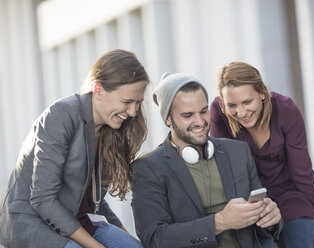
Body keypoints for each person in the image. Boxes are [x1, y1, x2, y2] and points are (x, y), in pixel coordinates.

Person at [0, 49, 149, 248]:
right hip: (33, 223)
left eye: (137, 103)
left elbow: (93, 200)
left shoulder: (110, 129)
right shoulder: (61, 115)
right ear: (98, 90)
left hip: (79, 220)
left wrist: (125, 236)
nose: (132, 112)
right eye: (126, 102)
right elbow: (42, 199)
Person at [131, 72, 282, 248]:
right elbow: (154, 238)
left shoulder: (238, 151)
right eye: (187, 115)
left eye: (203, 111)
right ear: (168, 119)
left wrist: (270, 220)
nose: (200, 121)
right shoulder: (148, 167)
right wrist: (220, 222)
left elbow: (264, 227)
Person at [209, 61, 314, 248]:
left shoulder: (286, 111)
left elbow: (302, 171)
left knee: (301, 236)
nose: (241, 112)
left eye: (247, 102)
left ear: (262, 92)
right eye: (232, 105)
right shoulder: (219, 114)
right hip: (250, 201)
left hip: (289, 196)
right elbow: (226, 171)